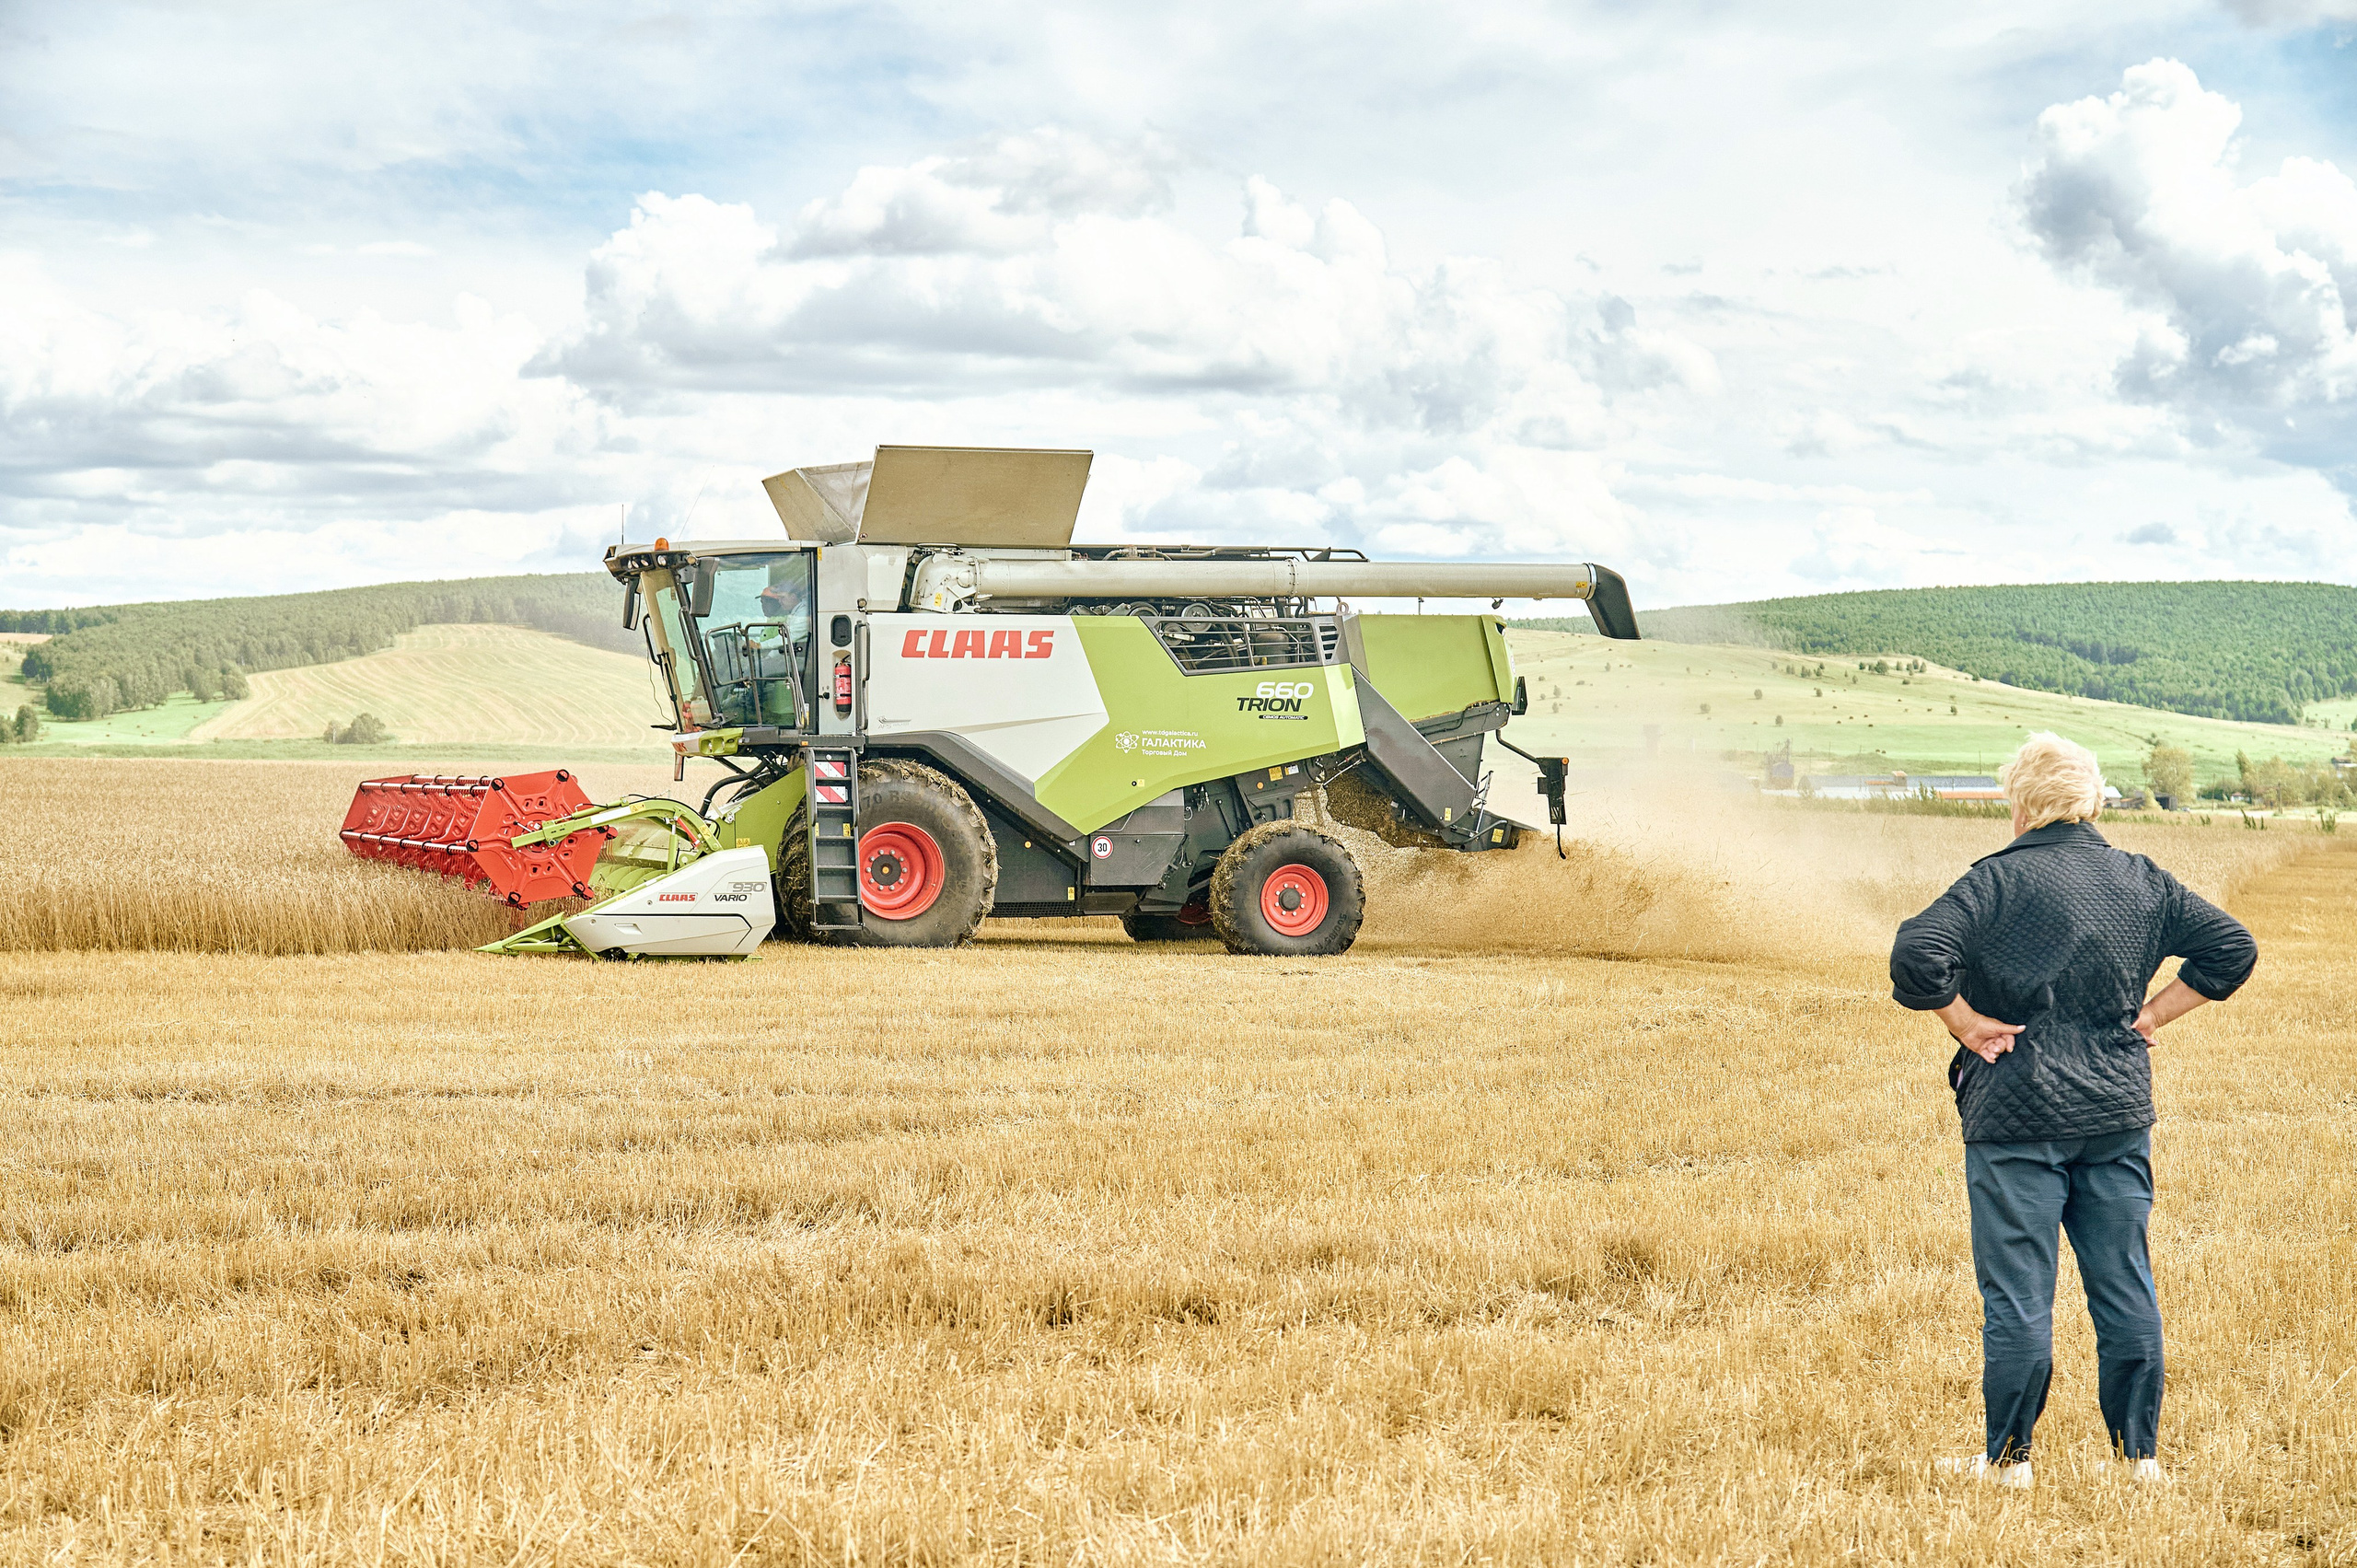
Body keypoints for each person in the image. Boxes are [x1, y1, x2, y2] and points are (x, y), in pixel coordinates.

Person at [1890, 732, 2256, 1489]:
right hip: (2116, 1112)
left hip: (2016, 1116)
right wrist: (2153, 1015)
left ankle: (2008, 1463)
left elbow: (1917, 952)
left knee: (2020, 1293)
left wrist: (1965, 1023)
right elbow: (2232, 947)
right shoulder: (2140, 880)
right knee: (2124, 1282)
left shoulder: (1993, 882)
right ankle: (2139, 1458)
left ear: (2020, 802)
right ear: (2088, 801)